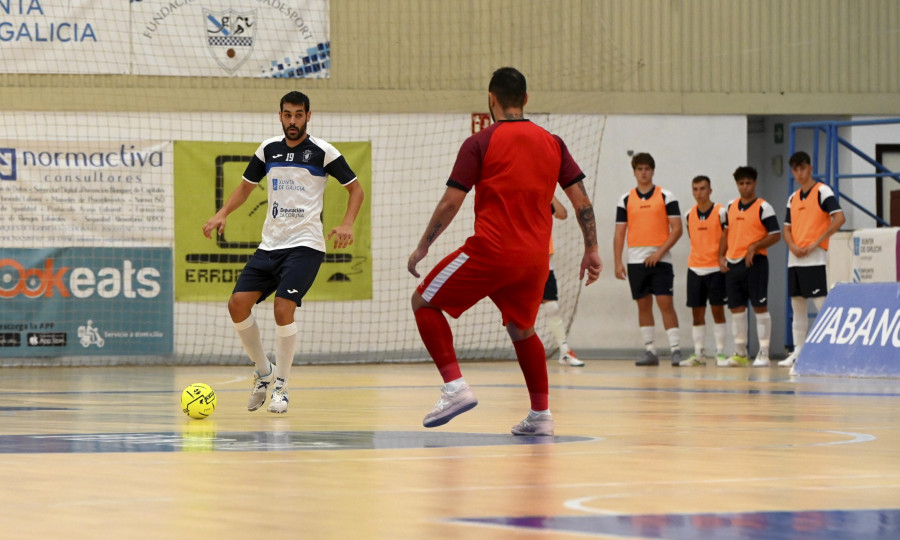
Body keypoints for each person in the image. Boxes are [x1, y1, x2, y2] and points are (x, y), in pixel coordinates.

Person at [407, 67, 602, 437]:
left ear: (491, 99)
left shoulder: (480, 142)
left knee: (423, 302)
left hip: (493, 251)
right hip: (534, 262)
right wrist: (591, 249)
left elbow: (451, 202)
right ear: (526, 99)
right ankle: (541, 415)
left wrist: (423, 245)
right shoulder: (553, 142)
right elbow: (582, 203)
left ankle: (455, 388)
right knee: (523, 328)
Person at [202, 91, 364, 413]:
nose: (293, 121)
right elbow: (246, 187)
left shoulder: (323, 152)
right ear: (280, 116)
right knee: (236, 305)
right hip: (270, 245)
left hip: (305, 245)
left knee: (282, 308)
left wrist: (347, 223)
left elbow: (355, 189)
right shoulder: (268, 149)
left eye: (298, 115)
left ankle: (282, 387)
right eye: (287, 115)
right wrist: (222, 214)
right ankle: (265, 373)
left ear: (308, 115)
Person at [613, 153, 683, 366]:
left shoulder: (666, 196)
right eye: (639, 169)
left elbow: (677, 229)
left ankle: (676, 350)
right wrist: (618, 262)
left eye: (647, 168)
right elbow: (619, 233)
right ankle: (650, 350)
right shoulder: (625, 199)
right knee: (643, 305)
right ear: (634, 172)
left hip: (660, 260)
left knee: (665, 302)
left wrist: (659, 253)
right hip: (636, 261)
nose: (644, 172)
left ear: (653, 171)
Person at [779, 151, 845, 367]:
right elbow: (786, 229)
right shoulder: (792, 197)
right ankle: (798, 352)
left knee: (822, 305)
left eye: (803, 168)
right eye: (796, 169)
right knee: (797, 305)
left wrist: (818, 241)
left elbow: (839, 217)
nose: (800, 173)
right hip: (795, 259)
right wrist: (792, 245)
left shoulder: (822, 191)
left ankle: (835, 350)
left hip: (816, 258)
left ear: (811, 168)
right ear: (792, 171)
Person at [720, 166, 780, 367]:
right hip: (733, 263)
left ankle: (764, 352)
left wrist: (755, 246)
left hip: (755, 262)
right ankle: (740, 352)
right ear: (737, 185)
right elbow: (726, 233)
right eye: (741, 183)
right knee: (737, 308)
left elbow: (775, 235)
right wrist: (721, 255)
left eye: (748, 183)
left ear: (755, 183)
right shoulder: (730, 206)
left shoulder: (764, 207)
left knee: (759, 306)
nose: (744, 187)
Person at [680, 175, 729, 366]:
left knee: (718, 310)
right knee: (696, 313)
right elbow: (693, 237)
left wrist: (721, 256)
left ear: (710, 190)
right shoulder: (688, 214)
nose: (699, 193)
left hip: (715, 269)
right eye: (695, 189)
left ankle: (720, 353)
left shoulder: (721, 212)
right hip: (695, 268)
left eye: (702, 189)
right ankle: (699, 353)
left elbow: (727, 235)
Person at [541, 195, 584, 367]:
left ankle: (564, 352)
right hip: (522, 259)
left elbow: (562, 213)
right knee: (519, 314)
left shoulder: (544, 195)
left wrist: (549, 191)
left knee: (552, 306)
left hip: (545, 261)